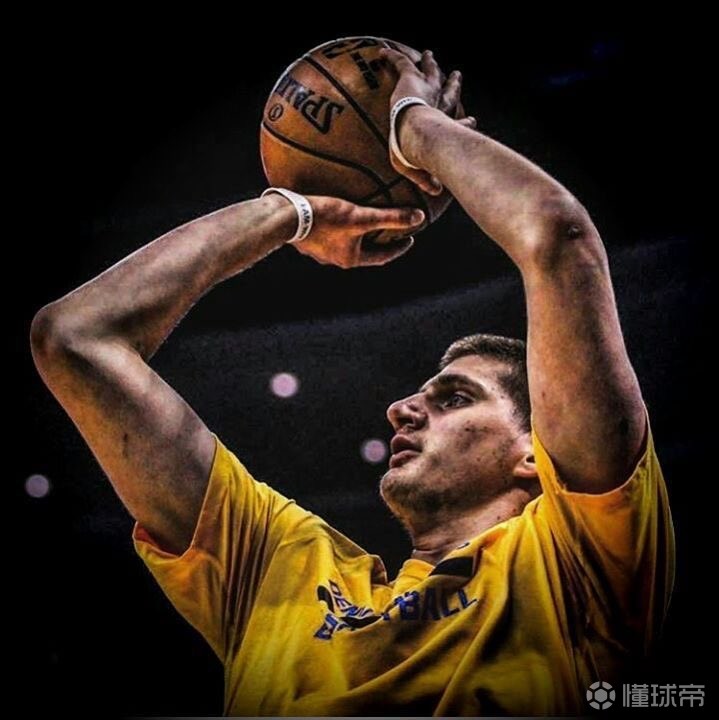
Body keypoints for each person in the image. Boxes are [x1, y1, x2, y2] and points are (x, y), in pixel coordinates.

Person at [30, 45, 674, 716]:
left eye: (454, 398)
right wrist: (290, 215)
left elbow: (559, 239)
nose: (401, 409)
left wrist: (412, 125)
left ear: (534, 455)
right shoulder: (282, 571)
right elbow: (74, 337)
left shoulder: (576, 565)